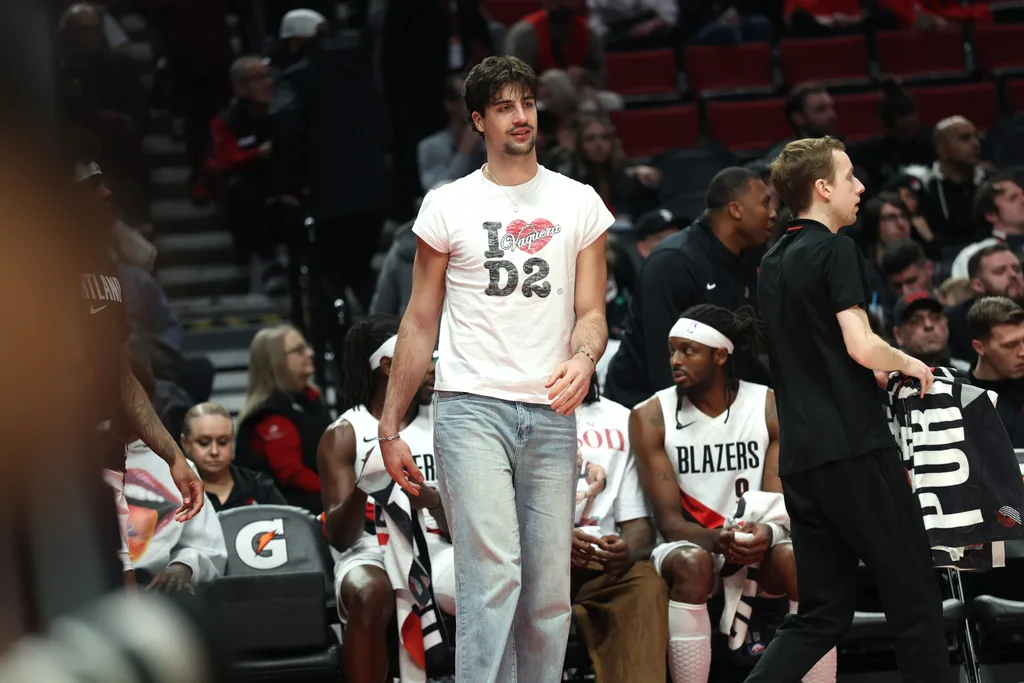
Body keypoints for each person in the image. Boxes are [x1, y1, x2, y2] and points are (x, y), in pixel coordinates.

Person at [376, 55, 613, 683]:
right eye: (504, 106)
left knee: (548, 590)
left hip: (552, 409)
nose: (520, 116)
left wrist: (586, 356)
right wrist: (391, 424)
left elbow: (592, 312)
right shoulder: (448, 204)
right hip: (470, 407)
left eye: (528, 103)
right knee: (493, 574)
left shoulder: (578, 202)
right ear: (478, 119)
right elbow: (419, 321)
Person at [748, 136, 948, 683]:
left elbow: (816, 350)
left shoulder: (772, 260)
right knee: (915, 601)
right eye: (850, 176)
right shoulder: (835, 248)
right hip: (856, 447)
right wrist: (909, 363)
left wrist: (871, 367)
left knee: (821, 615)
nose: (860, 188)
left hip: (803, 458)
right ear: (822, 187)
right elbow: (859, 343)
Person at [630, 304, 836, 683]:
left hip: (759, 543)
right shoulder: (650, 415)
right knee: (695, 563)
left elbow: (778, 504)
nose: (675, 360)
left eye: (687, 351)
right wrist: (718, 540)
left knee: (800, 559)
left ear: (721, 355)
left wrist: (766, 535)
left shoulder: (768, 406)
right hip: (690, 546)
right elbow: (670, 523)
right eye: (672, 350)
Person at [74, 145, 204, 587]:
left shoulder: (104, 266)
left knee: (122, 601)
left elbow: (122, 374)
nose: (107, 193)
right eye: (93, 186)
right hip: (48, 468)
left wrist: (174, 455)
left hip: (104, 459)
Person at [318, 315, 452, 683]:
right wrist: (366, 484)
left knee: (489, 581)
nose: (433, 366)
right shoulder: (345, 434)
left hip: (437, 544)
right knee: (370, 591)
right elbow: (341, 537)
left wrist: (432, 502)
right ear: (386, 366)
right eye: (423, 357)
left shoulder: (445, 421)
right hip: (369, 549)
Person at [605, 166, 775, 408]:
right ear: (736, 210)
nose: (773, 213)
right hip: (641, 405)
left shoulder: (747, 257)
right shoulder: (673, 262)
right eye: (765, 203)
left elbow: (747, 348)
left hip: (712, 396)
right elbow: (664, 361)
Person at [571, 374, 667, 683]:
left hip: (600, 565)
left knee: (646, 584)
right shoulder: (512, 414)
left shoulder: (620, 419)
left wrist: (625, 550)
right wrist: (552, 540)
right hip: (531, 564)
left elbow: (638, 525)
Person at [234, 324, 332, 514]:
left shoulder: (309, 398)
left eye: (307, 346)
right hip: (291, 514)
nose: (310, 353)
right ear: (276, 361)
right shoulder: (269, 415)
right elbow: (292, 474)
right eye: (299, 350)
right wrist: (342, 492)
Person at [181, 402, 287, 511]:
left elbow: (289, 524)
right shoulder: (173, 493)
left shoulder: (260, 488)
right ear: (185, 443)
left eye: (223, 442)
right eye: (204, 443)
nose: (214, 451)